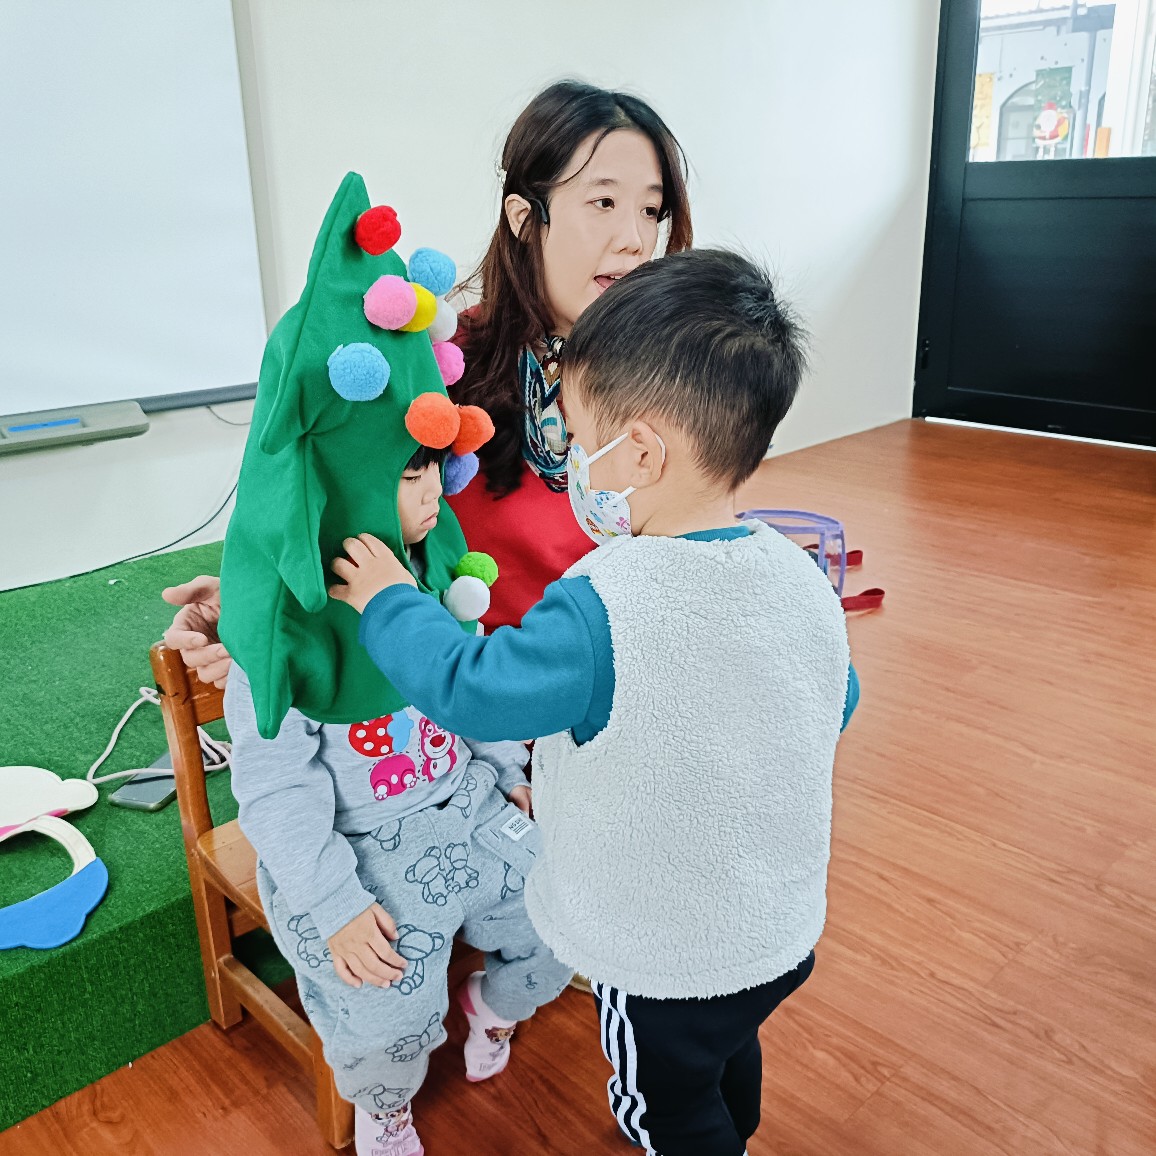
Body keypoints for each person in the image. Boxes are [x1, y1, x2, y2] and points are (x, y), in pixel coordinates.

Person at [327, 248, 860, 1156]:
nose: (573, 461)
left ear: (641, 451)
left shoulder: (603, 603)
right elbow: (835, 699)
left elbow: (472, 689)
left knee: (666, 1105)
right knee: (725, 1053)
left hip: (666, 957)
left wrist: (388, 602)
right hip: (774, 931)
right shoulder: (796, 574)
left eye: (578, 439)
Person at [220, 171, 571, 1156]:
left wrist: (504, 772)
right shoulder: (284, 637)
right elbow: (277, 789)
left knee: (563, 911)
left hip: (466, 805)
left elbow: (467, 683)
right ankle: (383, 1101)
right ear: (339, 484)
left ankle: (490, 1004)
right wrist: (334, 905)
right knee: (383, 1003)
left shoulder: (428, 576)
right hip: (359, 848)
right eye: (407, 473)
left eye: (432, 469)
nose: (431, 494)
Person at [161, 79, 693, 677]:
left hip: (629, 685)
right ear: (525, 219)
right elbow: (351, 527)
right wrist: (250, 607)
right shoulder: (439, 364)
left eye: (651, 211)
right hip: (468, 690)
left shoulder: (674, 378)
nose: (635, 240)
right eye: (604, 203)